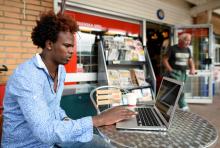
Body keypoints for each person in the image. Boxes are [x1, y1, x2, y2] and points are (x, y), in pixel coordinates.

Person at [1, 11, 136, 148]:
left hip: (52, 140)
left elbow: (54, 109)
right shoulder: (27, 76)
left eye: (73, 46)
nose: (72, 51)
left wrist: (66, 120)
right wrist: (100, 119)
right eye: (67, 46)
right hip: (28, 145)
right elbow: (45, 132)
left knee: (100, 143)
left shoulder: (60, 70)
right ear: (49, 44)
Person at [162, 33, 195, 111]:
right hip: (174, 73)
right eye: (186, 40)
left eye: (189, 40)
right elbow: (164, 60)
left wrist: (192, 68)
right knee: (179, 89)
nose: (188, 42)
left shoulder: (187, 49)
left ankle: (164, 105)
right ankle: (183, 106)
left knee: (173, 90)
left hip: (183, 73)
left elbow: (190, 60)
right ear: (180, 40)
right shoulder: (172, 48)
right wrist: (170, 70)